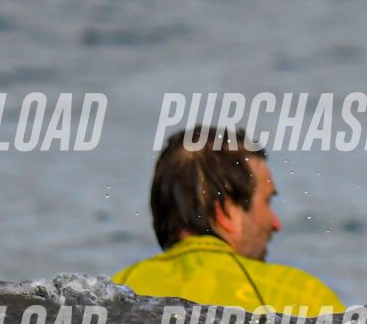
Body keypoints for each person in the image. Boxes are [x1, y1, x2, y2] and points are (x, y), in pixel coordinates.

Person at [115, 127, 343, 314]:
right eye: (266, 201)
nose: (276, 223)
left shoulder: (115, 292)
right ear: (225, 211)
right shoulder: (303, 295)